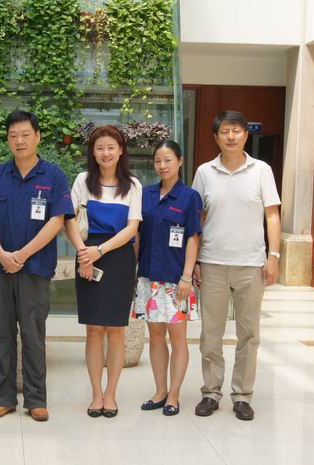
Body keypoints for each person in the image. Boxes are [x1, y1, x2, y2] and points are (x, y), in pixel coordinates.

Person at [0, 110, 75, 422]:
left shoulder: (53, 176)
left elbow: (57, 221)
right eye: (13, 136)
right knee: (1, 334)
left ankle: (36, 399)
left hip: (35, 268)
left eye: (25, 135)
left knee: (33, 335)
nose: (19, 141)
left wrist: (21, 255)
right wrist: (2, 254)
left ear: (37, 137)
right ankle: (3, 397)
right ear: (8, 139)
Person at [192, 110, 281, 421]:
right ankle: (211, 392)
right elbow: (197, 218)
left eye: (237, 131)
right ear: (216, 137)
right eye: (225, 131)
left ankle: (242, 395)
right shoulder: (204, 172)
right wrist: (195, 260)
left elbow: (272, 215)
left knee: (249, 334)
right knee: (210, 334)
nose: (231, 136)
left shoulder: (262, 170)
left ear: (246, 135)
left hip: (251, 264)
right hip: (212, 262)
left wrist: (274, 256)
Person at [64, 125, 141, 418]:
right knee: (94, 330)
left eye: (111, 147)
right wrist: (83, 252)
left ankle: (111, 394)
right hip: (87, 256)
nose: (105, 153)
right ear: (93, 153)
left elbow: (132, 228)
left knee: (117, 331)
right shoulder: (82, 181)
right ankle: (96, 393)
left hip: (118, 258)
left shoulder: (133, 185)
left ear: (120, 150)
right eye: (99, 148)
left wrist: (100, 250)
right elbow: (69, 220)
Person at [135, 140, 202, 416]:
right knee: (155, 336)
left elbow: (193, 237)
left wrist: (186, 276)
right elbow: (138, 234)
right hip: (148, 277)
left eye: (168, 160)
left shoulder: (190, 197)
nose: (162, 166)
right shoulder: (145, 194)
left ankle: (174, 394)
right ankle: (160, 391)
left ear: (180, 161)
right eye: (158, 161)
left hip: (176, 279)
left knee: (178, 338)